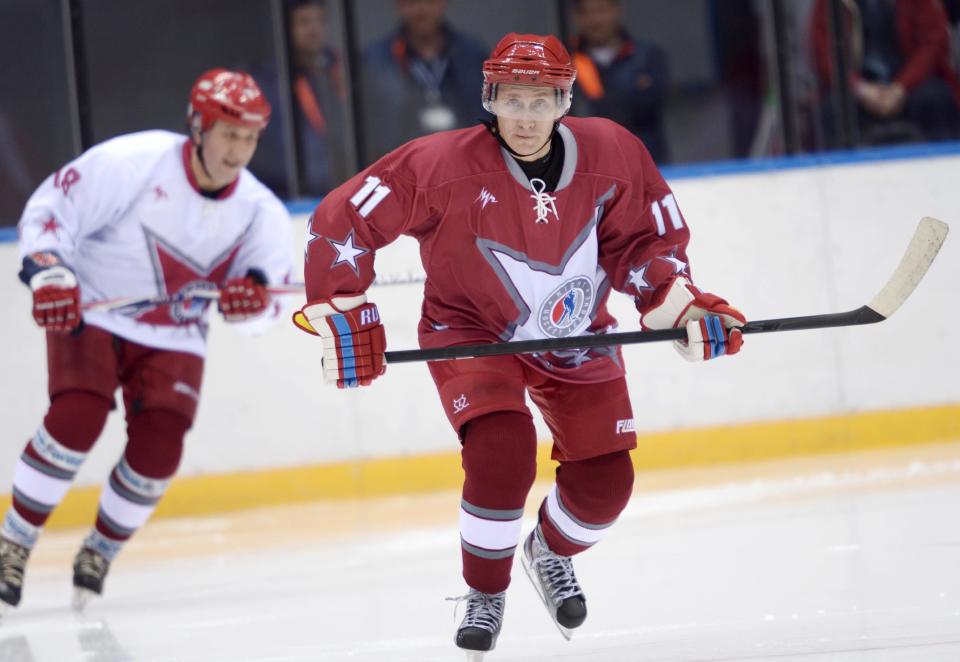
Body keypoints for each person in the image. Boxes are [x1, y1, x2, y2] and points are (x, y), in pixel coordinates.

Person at [295, 33, 746, 657]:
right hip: (471, 329)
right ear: (491, 98)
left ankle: (547, 552)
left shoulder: (614, 153)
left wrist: (682, 305)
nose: (527, 117)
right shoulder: (440, 164)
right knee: (502, 453)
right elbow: (344, 218)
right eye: (513, 99)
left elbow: (645, 247)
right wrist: (343, 312)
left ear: (565, 101)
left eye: (542, 100)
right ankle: (485, 591)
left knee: (607, 486)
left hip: (576, 333)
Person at [0, 69, 294, 612]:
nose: (239, 151)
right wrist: (50, 274)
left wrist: (251, 306)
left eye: (251, 137)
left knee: (160, 449)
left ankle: (100, 550)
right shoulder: (131, 163)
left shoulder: (261, 212)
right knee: (77, 417)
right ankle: (13, 543)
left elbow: (270, 306)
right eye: (229, 133)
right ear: (198, 127)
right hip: (92, 305)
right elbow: (49, 213)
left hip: (174, 332)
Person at [810, 0, 960, 146]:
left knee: (937, 99)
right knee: (834, 110)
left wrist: (901, 87)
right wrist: (861, 89)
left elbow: (933, 43)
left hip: (910, 84)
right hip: (858, 89)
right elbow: (825, 54)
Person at [361, 0, 488, 161]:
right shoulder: (375, 60)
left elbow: (485, 119)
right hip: (400, 167)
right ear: (399, 5)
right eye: (412, 2)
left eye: (429, 2)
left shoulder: (471, 54)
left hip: (464, 164)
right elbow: (372, 130)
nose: (422, 10)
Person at [250, 0, 349, 197]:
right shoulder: (270, 81)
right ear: (286, 28)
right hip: (295, 194)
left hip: (344, 186)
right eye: (303, 22)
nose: (314, 29)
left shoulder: (340, 69)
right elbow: (272, 151)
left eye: (320, 21)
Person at [568, 0, 671, 163]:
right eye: (586, 12)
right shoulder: (565, 61)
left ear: (617, 10)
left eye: (602, 10)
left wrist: (598, 106)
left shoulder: (648, 56)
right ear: (575, 16)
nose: (595, 19)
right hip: (589, 167)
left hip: (645, 164)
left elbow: (649, 107)